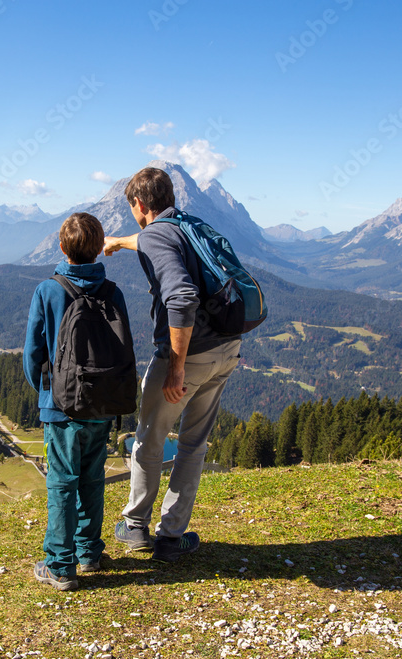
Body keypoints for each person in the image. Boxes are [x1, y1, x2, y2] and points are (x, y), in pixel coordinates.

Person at [103, 166, 241, 563]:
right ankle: (171, 536)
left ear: (140, 203)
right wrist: (121, 243)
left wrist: (176, 369)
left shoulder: (155, 234)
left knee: (149, 437)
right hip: (226, 350)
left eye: (131, 206)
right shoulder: (186, 224)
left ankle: (134, 526)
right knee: (194, 444)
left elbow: (181, 298)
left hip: (188, 357)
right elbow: (153, 240)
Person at [23, 212, 130, 590]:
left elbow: (32, 355)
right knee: (93, 477)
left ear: (62, 247)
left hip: (61, 404)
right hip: (101, 403)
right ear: (101, 247)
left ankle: (59, 565)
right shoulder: (113, 292)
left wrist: (45, 393)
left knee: (62, 481)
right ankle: (89, 553)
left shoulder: (48, 290)